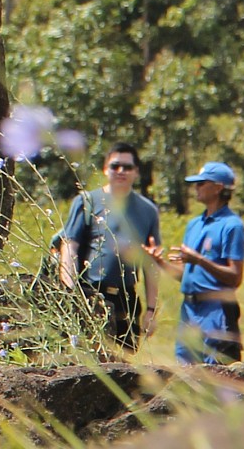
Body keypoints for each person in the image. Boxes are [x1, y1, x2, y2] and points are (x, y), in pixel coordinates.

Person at [55, 142, 161, 349]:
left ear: (136, 172)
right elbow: (70, 247)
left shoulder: (148, 210)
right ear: (105, 168)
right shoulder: (87, 202)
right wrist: (69, 292)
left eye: (127, 167)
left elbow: (151, 263)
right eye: (115, 166)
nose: (121, 171)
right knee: (88, 358)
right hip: (90, 292)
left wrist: (150, 310)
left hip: (126, 296)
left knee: (124, 362)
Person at [158, 160, 244, 363]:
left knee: (216, 372)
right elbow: (185, 275)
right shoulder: (194, 224)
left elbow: (235, 277)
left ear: (218, 188)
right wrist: (159, 262)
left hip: (215, 310)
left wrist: (199, 260)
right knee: (185, 372)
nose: (196, 188)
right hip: (189, 309)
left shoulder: (231, 225)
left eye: (201, 183)